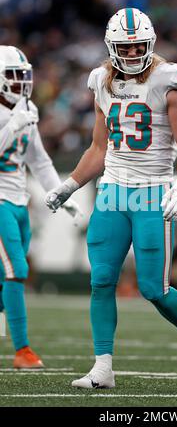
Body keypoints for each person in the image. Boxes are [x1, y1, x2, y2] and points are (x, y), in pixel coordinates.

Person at [45, 8, 177, 388]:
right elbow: (98, 148)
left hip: (154, 191)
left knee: (155, 289)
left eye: (139, 46)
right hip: (113, 192)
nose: (134, 54)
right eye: (126, 46)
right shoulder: (101, 81)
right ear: (112, 46)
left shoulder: (171, 79)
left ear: (150, 44)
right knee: (102, 280)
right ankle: (103, 367)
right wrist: (69, 184)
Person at [0, 45, 81, 368]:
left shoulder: (27, 109)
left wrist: (65, 196)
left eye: (23, 75)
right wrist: (12, 126)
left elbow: (40, 162)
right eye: (12, 76)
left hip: (19, 200)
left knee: (6, 276)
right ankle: (22, 351)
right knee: (16, 271)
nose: (20, 82)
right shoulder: (16, 115)